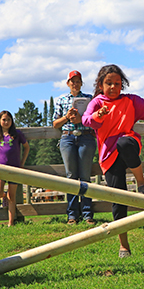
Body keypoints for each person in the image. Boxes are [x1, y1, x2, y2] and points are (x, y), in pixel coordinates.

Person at [82, 64, 144, 258]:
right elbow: (86, 120)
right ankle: (124, 245)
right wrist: (98, 115)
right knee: (118, 199)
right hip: (109, 155)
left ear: (122, 85)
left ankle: (141, 182)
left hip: (128, 146)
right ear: (100, 85)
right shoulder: (97, 103)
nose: (114, 87)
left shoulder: (130, 101)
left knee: (124, 142)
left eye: (117, 83)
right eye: (109, 83)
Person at [53, 70, 98, 225]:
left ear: (81, 83)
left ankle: (87, 214)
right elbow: (55, 124)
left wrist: (82, 118)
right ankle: (72, 215)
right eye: (72, 81)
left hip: (85, 136)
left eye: (78, 81)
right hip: (68, 137)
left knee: (85, 176)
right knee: (71, 177)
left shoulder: (89, 99)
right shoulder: (61, 100)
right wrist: (67, 117)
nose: (75, 83)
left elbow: (95, 120)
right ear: (68, 83)